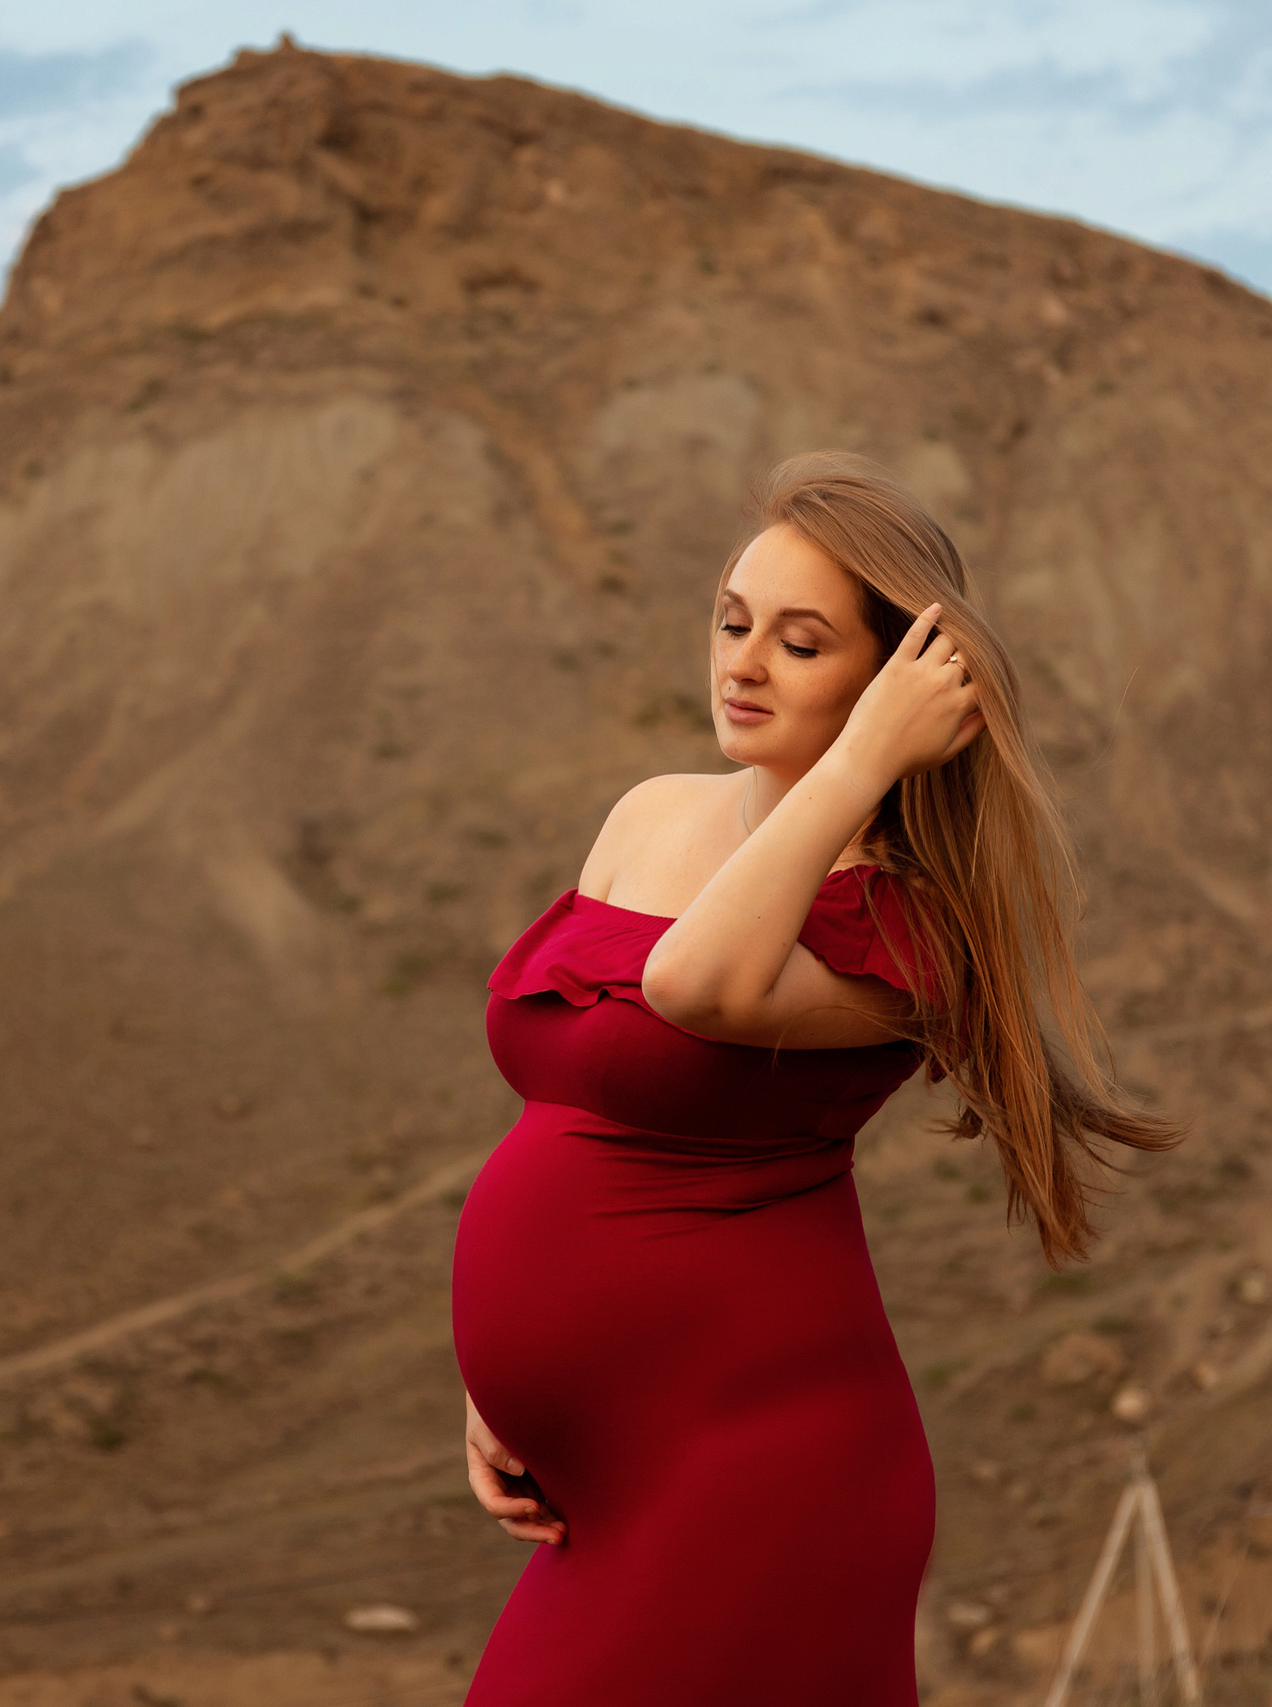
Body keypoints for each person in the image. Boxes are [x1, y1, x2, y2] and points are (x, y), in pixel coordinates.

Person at [450, 451, 1180, 1702]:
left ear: (895, 680)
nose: (739, 663)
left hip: (758, 1466)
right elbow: (564, 1096)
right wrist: (499, 1385)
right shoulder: (651, 812)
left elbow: (698, 987)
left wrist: (858, 770)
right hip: (601, 1469)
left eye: (798, 644)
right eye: (731, 623)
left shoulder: (912, 926)